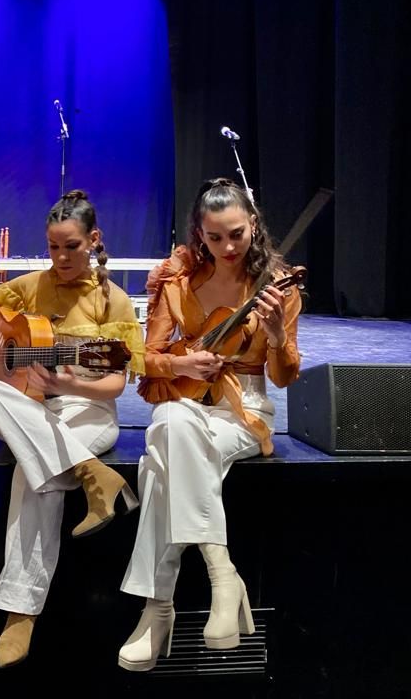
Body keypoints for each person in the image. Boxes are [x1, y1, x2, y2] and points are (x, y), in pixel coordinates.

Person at [117, 177, 302, 672]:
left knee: (163, 450)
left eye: (236, 234)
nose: (227, 247)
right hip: (187, 402)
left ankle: (156, 611)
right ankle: (224, 576)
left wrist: (278, 334)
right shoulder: (177, 282)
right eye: (214, 237)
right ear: (199, 232)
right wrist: (181, 366)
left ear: (253, 225)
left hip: (244, 408)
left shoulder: (277, 285)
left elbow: (283, 378)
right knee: (173, 423)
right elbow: (144, 357)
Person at [0, 190, 145, 668]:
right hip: (28, 405)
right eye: (53, 247)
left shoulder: (116, 301)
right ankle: (92, 474)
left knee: (33, 471)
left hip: (86, 411)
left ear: (94, 240)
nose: (62, 257)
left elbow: (113, 383)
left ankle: (20, 613)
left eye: (71, 246)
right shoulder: (32, 285)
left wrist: (69, 381)